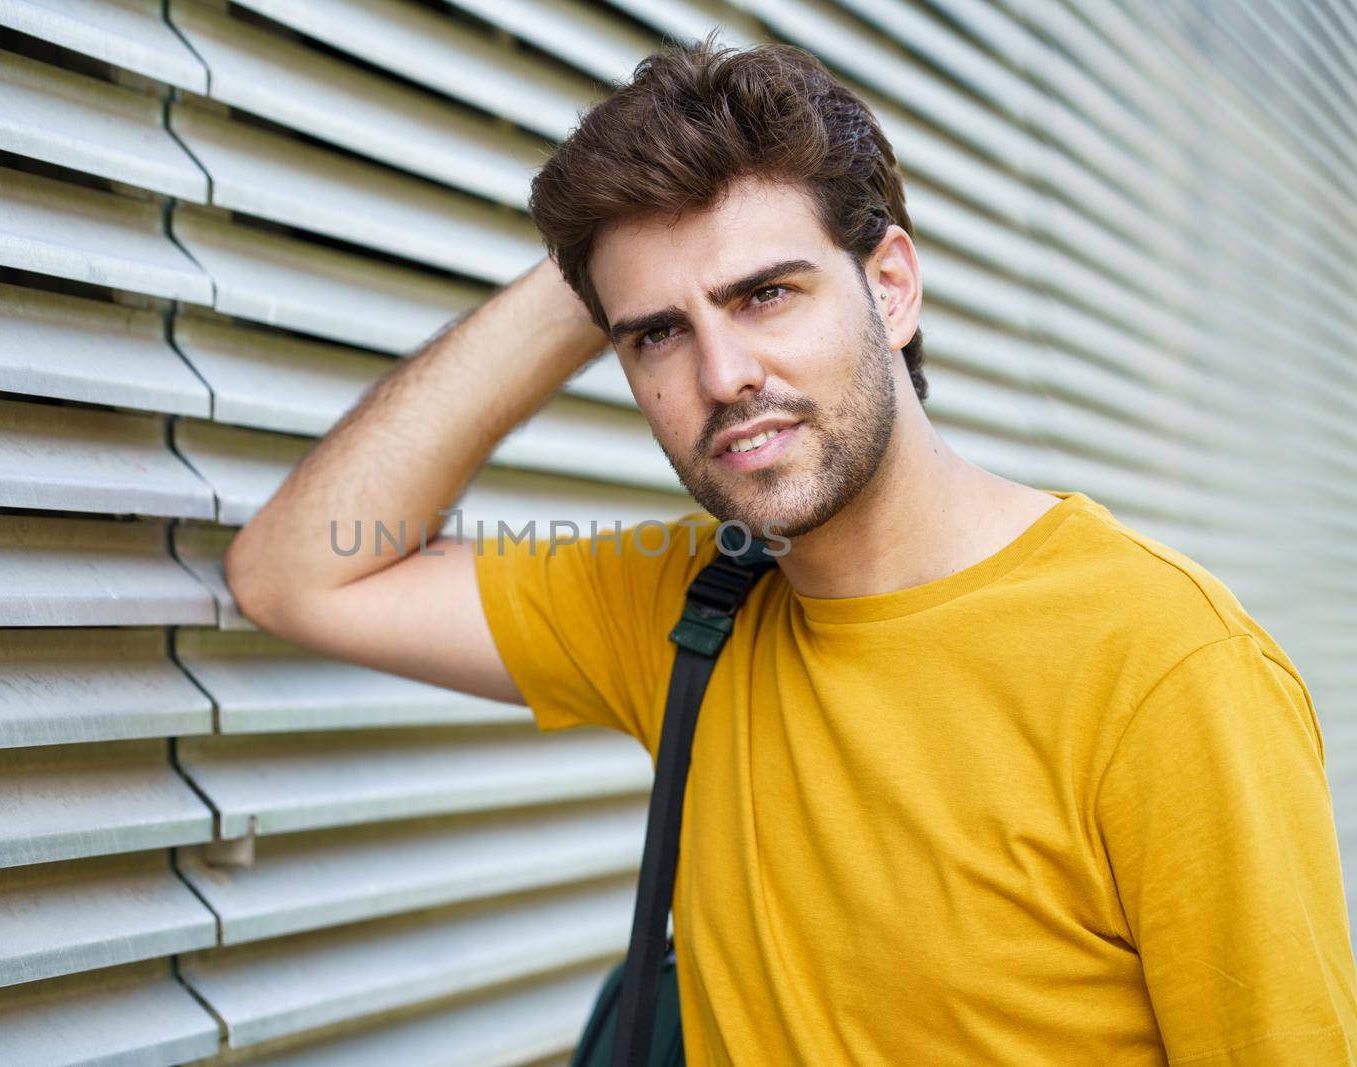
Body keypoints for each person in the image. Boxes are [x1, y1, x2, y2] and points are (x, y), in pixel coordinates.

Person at [224, 33, 1357, 1066]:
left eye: (765, 292)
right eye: (659, 334)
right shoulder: (685, 601)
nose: (721, 376)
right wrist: (595, 274)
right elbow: (299, 571)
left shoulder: (1162, 666)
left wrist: (650, 270)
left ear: (891, 284)